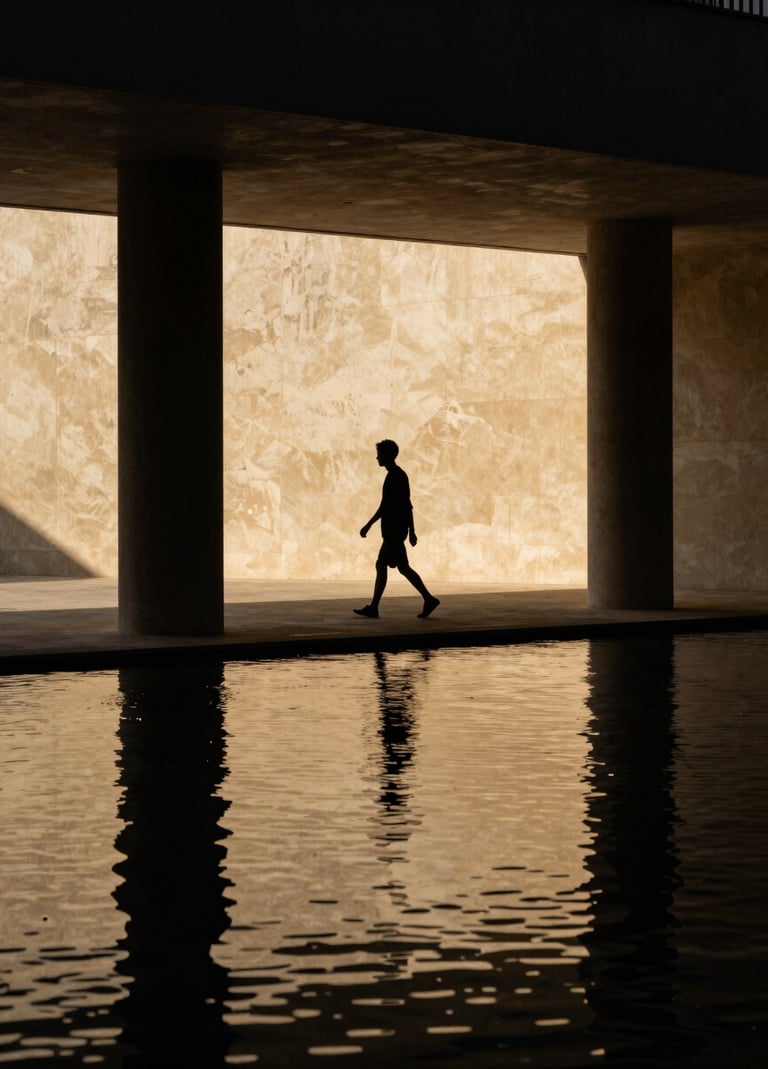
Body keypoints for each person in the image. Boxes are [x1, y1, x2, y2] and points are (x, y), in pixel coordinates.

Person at [354, 439, 440, 620]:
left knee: (392, 565)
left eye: (379, 454)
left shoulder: (396, 476)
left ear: (387, 456)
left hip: (394, 531)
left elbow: (390, 505)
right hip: (395, 530)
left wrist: (368, 525)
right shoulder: (396, 475)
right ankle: (426, 599)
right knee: (397, 566)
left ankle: (376, 607)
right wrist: (411, 530)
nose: (377, 457)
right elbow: (406, 505)